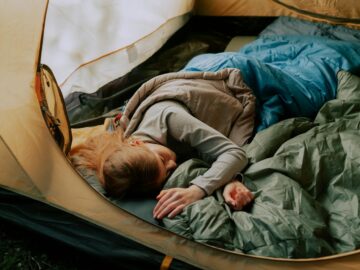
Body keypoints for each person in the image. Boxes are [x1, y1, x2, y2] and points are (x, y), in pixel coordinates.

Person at [70, 68, 255, 220]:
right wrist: (228, 180)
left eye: (162, 159)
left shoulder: (169, 118)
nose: (172, 164)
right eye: (168, 172)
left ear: (135, 143)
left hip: (219, 78)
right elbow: (206, 151)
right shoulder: (140, 154)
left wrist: (197, 189)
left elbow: (234, 152)